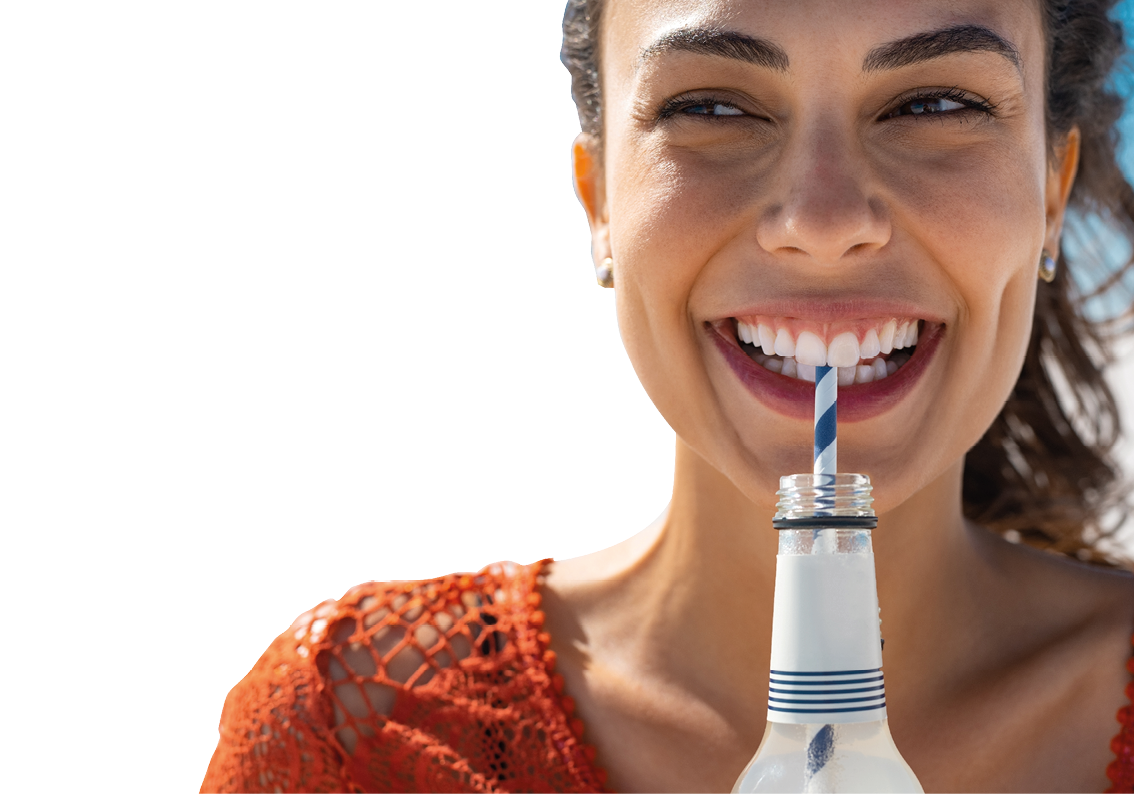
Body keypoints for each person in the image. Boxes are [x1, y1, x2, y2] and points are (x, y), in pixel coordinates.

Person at [200, 0, 1134, 791]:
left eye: (935, 103)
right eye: (713, 106)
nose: (822, 221)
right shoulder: (356, 733)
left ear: (1051, 192)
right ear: (600, 200)